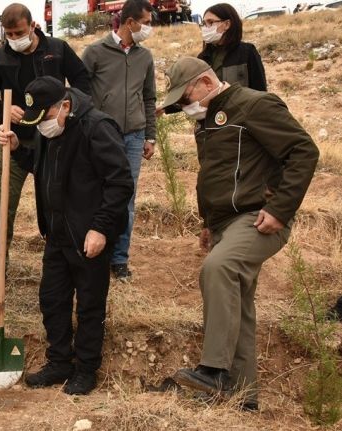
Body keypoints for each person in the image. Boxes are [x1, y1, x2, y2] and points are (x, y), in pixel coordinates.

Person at [160, 57, 318, 411]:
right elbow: (213, 174)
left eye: (185, 99)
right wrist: (208, 222)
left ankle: (214, 370)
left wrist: (280, 209)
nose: (185, 108)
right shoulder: (205, 121)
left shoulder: (255, 105)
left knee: (218, 269)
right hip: (224, 223)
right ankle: (243, 397)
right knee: (240, 305)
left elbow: (303, 151)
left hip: (258, 218)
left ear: (204, 83)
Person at [0, 76, 133, 395]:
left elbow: (120, 182)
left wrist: (100, 228)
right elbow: (42, 167)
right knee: (52, 300)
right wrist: (18, 149)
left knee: (89, 305)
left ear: (65, 106)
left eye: (43, 116)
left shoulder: (97, 128)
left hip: (89, 237)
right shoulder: (51, 128)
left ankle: (86, 369)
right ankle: (59, 362)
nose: (40, 125)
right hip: (57, 234)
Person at [0, 2, 91, 300]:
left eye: (19, 32)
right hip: (16, 142)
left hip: (54, 140)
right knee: (4, 208)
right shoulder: (0, 57)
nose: (14, 38)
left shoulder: (57, 48)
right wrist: (4, 109)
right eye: (9, 33)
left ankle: (68, 264)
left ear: (33, 26)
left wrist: (69, 106)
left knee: (60, 204)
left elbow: (82, 80)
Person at [82, 0, 157, 281]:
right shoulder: (95, 52)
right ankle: (96, 249)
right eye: (146, 22)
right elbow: (80, 91)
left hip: (135, 136)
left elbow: (149, 97)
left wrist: (151, 135)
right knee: (98, 193)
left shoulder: (145, 57)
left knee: (127, 196)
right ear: (129, 23)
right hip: (104, 136)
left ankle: (119, 259)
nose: (148, 28)